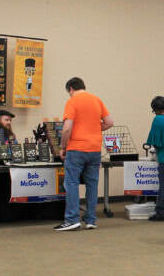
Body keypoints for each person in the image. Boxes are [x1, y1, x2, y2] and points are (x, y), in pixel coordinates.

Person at [54, 77, 113, 231]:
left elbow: (67, 128)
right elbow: (109, 122)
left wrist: (62, 146)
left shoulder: (73, 101)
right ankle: (91, 220)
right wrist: (92, 129)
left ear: (71, 89)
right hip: (94, 149)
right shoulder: (97, 100)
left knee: (71, 183)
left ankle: (72, 219)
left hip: (77, 149)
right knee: (92, 184)